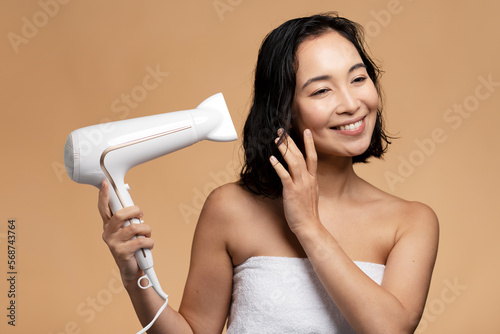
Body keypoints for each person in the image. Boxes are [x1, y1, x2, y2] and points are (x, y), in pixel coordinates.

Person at [98, 12, 439, 333]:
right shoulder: (230, 208)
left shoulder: (410, 221)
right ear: (284, 110)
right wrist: (134, 278)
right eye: (322, 90)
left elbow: (390, 328)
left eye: (358, 78)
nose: (351, 103)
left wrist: (308, 225)